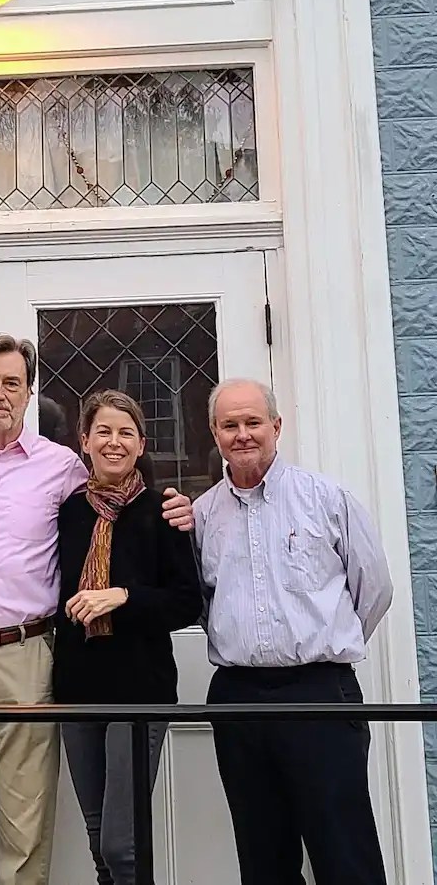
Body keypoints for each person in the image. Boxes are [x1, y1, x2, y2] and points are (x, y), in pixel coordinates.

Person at [0, 334, 194, 885]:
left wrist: (180, 505)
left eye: (11, 383)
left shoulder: (62, 466)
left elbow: (124, 494)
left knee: (25, 827)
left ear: (29, 393)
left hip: (27, 656)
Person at [193, 378, 393, 885]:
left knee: (344, 850)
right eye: (230, 424)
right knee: (263, 856)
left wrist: (323, 646)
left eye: (253, 422)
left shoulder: (326, 498)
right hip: (238, 699)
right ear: (214, 433)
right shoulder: (202, 515)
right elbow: (200, 602)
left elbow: (375, 588)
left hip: (320, 693)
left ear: (276, 427)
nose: (242, 434)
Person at [54, 390, 202, 885]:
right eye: (103, 432)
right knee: (99, 841)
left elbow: (187, 601)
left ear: (141, 445)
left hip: (139, 691)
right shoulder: (70, 511)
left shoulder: (163, 510)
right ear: (84, 442)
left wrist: (121, 596)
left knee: (123, 845)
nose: (113, 442)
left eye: (125, 433)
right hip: (77, 692)